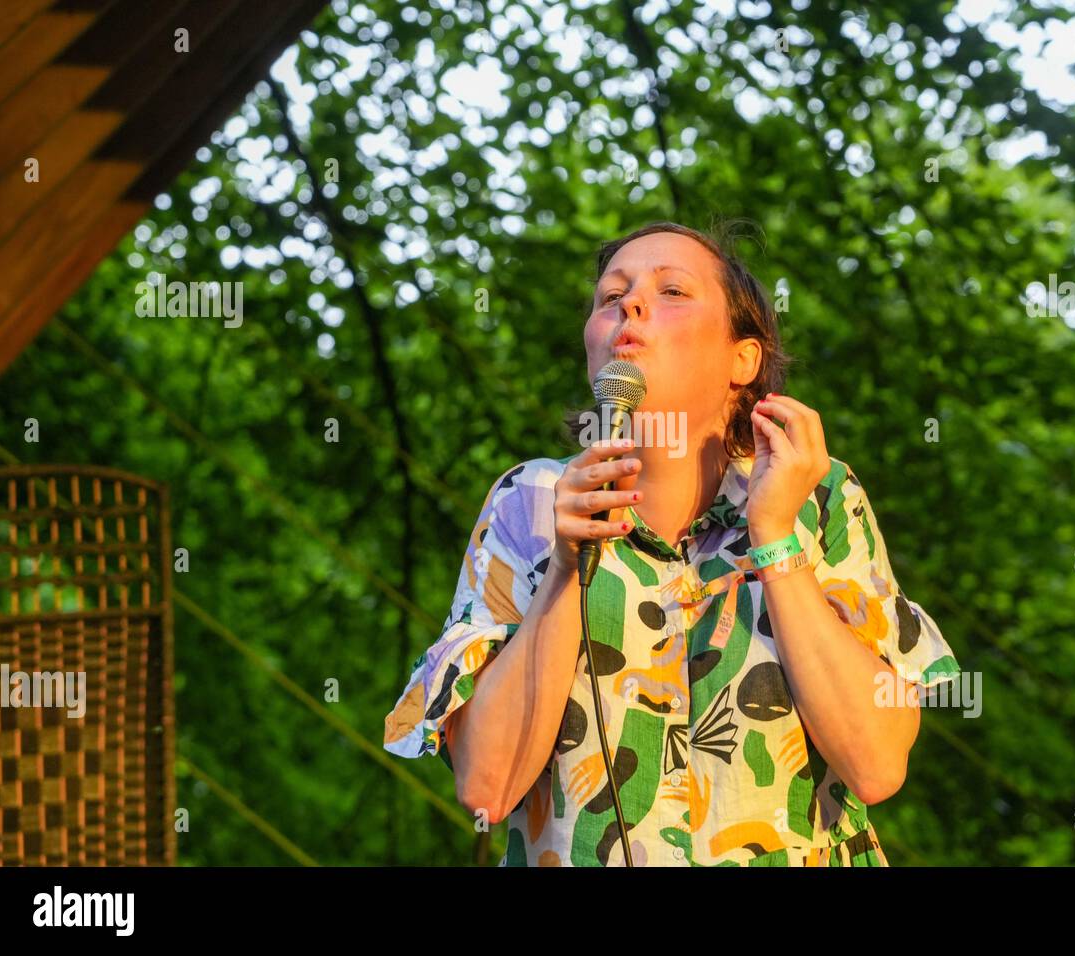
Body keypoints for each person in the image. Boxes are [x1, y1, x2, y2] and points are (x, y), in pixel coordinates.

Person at [383, 220, 961, 866]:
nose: (629, 305)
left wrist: (774, 540)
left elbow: (877, 765)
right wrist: (567, 571)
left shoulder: (817, 495)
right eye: (612, 296)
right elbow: (488, 788)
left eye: (673, 291)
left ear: (743, 358)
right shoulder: (531, 503)